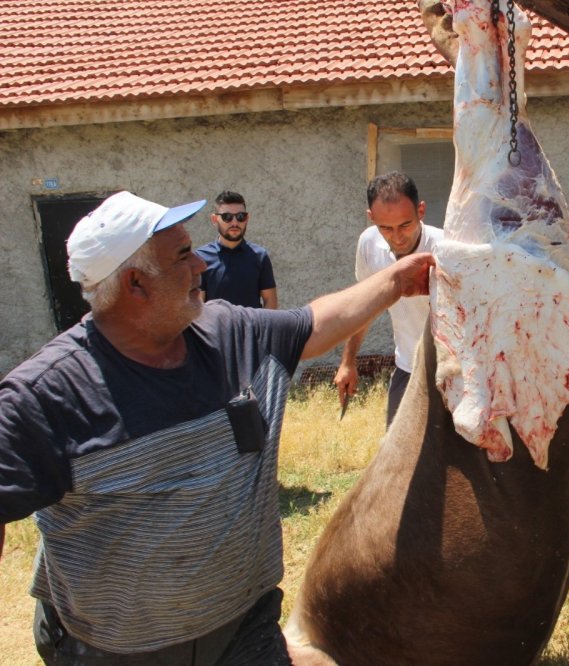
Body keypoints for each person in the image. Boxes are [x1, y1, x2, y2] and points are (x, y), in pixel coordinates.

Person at [0, 190, 434, 664]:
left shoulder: (227, 331)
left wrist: (397, 279)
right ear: (136, 284)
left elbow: (313, 324)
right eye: (183, 256)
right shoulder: (44, 397)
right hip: (116, 652)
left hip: (245, 632)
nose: (200, 266)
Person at [334, 171, 444, 426]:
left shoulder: (445, 248)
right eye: (385, 228)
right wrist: (348, 361)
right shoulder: (369, 245)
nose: (397, 237)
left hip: (453, 373)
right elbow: (365, 306)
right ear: (371, 218)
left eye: (405, 225)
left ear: (421, 211)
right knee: (398, 457)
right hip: (407, 367)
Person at [197, 190, 278, 308]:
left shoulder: (260, 256)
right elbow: (198, 306)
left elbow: (270, 302)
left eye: (240, 216)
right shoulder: (201, 258)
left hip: (252, 327)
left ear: (247, 218)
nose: (234, 223)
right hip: (215, 327)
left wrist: (265, 327)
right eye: (227, 217)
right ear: (214, 220)